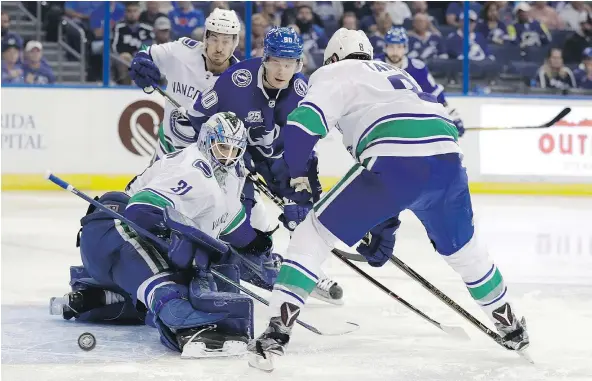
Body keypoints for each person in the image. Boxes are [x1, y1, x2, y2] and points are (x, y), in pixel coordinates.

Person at [248, 28, 530, 371]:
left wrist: (295, 178)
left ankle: (276, 333)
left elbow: (302, 127)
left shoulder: (333, 72)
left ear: (334, 58)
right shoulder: (401, 75)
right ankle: (511, 324)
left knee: (312, 235)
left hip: (394, 161)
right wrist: (385, 222)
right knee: (465, 251)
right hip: (448, 161)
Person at [50, 112, 275, 357]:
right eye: (222, 147)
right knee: (168, 290)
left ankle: (93, 297)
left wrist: (256, 243)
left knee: (171, 288)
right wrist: (177, 238)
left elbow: (233, 227)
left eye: (234, 150)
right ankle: (191, 329)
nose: (228, 156)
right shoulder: (194, 171)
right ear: (206, 141)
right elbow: (140, 211)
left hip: (118, 248)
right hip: (115, 229)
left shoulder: (229, 176)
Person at [190, 27, 344, 305]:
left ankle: (306, 268)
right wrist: (227, 158)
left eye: (290, 64)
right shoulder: (235, 81)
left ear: (298, 64)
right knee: (236, 216)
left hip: (282, 161)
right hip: (237, 158)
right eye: (277, 62)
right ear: (265, 58)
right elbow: (199, 115)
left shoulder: (302, 90)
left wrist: (300, 188)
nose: (283, 71)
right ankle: (239, 265)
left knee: (304, 214)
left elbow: (305, 148)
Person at [129, 8, 240, 160]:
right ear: (205, 37)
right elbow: (146, 53)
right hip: (166, 155)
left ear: (235, 42)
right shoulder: (182, 52)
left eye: (226, 41)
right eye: (214, 39)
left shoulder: (239, 83)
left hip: (207, 164)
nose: (219, 48)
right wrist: (141, 66)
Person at [376, 28, 464, 136]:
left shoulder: (418, 68)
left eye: (399, 47)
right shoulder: (375, 66)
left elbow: (434, 94)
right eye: (391, 46)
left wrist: (452, 116)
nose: (395, 51)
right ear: (385, 47)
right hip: (382, 121)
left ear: (405, 48)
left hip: (411, 121)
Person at [112, 2, 154, 85]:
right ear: (125, 13)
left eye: (135, 11)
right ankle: (126, 85)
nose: (132, 14)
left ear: (139, 12)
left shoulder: (147, 28)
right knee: (125, 57)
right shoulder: (119, 27)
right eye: (129, 11)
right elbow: (114, 47)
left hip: (141, 59)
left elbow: (150, 47)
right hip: (123, 59)